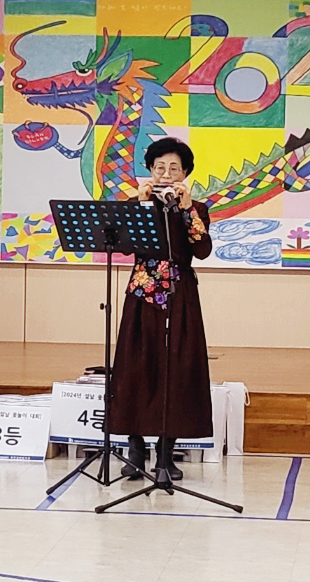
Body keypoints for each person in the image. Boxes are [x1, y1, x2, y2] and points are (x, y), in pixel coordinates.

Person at [107, 137, 213, 481]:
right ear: (150, 170)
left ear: (185, 174)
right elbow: (125, 246)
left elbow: (202, 250)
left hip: (180, 295)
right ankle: (135, 450)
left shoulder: (196, 209)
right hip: (143, 293)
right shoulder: (137, 203)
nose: (166, 174)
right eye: (159, 167)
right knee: (136, 367)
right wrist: (140, 205)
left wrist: (186, 209)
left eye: (174, 168)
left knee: (177, 370)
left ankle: (166, 455)